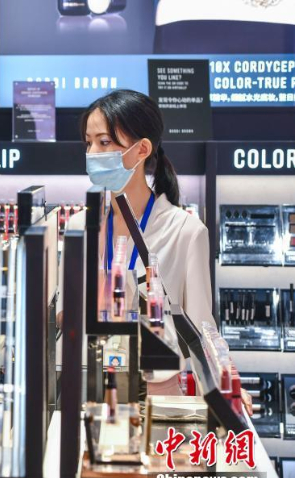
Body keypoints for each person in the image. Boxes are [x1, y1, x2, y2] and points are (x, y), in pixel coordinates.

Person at [71, 89, 251, 412]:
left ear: (141, 149)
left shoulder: (186, 232)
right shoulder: (78, 227)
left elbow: (201, 327)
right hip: (89, 391)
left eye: (105, 142)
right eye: (89, 143)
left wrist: (228, 385)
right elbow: (63, 316)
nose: (93, 153)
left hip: (158, 396)